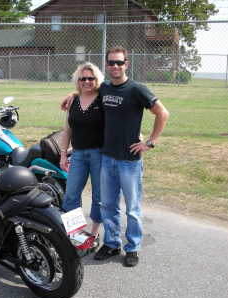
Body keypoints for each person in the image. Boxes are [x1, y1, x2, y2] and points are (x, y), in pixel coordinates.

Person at [61, 46, 169, 267]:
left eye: (119, 63)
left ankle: (133, 247)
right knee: (108, 204)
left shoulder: (137, 89)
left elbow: (162, 113)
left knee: (132, 207)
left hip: (129, 161)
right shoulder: (106, 89)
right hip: (107, 157)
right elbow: (85, 90)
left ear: (127, 64)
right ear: (107, 65)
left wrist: (149, 142)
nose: (115, 66)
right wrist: (72, 94)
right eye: (111, 63)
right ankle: (111, 243)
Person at [60, 62, 105, 249]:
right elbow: (68, 128)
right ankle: (76, 234)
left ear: (97, 79)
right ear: (78, 81)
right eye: (83, 78)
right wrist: (63, 153)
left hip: (100, 155)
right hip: (78, 154)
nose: (87, 81)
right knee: (71, 195)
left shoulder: (103, 98)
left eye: (91, 78)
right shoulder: (74, 101)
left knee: (99, 196)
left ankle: (93, 235)